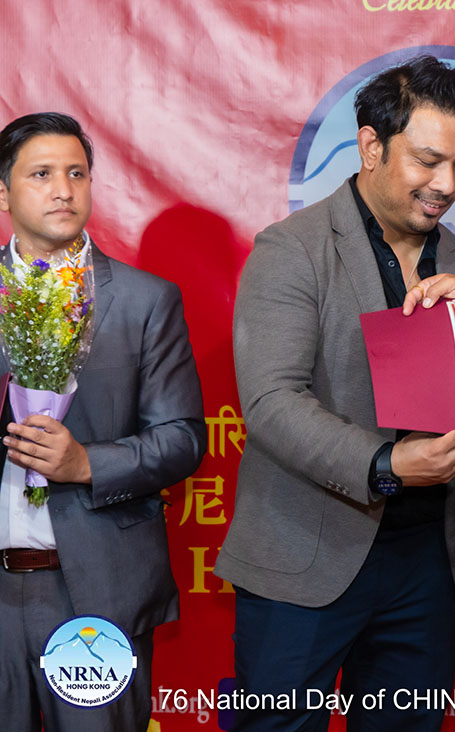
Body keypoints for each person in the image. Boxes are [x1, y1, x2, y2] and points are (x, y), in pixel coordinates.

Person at [216, 55, 455, 732]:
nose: (447, 184)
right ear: (371, 146)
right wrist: (385, 464)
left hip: (425, 564)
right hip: (304, 554)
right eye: (428, 161)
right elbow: (272, 402)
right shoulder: (292, 249)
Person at [0, 112, 206, 732]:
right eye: (41, 174)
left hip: (96, 595)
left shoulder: (144, 301)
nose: (63, 189)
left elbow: (182, 439)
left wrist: (86, 463)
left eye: (77, 174)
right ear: (4, 193)